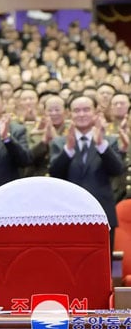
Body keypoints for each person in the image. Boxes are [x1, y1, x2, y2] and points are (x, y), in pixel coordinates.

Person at [49, 93, 125, 251]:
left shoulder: (108, 141)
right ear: (69, 114)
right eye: (77, 110)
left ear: (96, 112)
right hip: (68, 215)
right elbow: (54, 174)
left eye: (86, 109)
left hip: (102, 215)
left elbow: (117, 170)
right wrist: (68, 150)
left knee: (102, 269)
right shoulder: (60, 142)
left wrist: (101, 146)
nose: (81, 114)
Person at [0, 87, 33, 186]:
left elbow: (25, 160)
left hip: (9, 190)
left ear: (3, 103)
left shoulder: (17, 130)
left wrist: (7, 138)